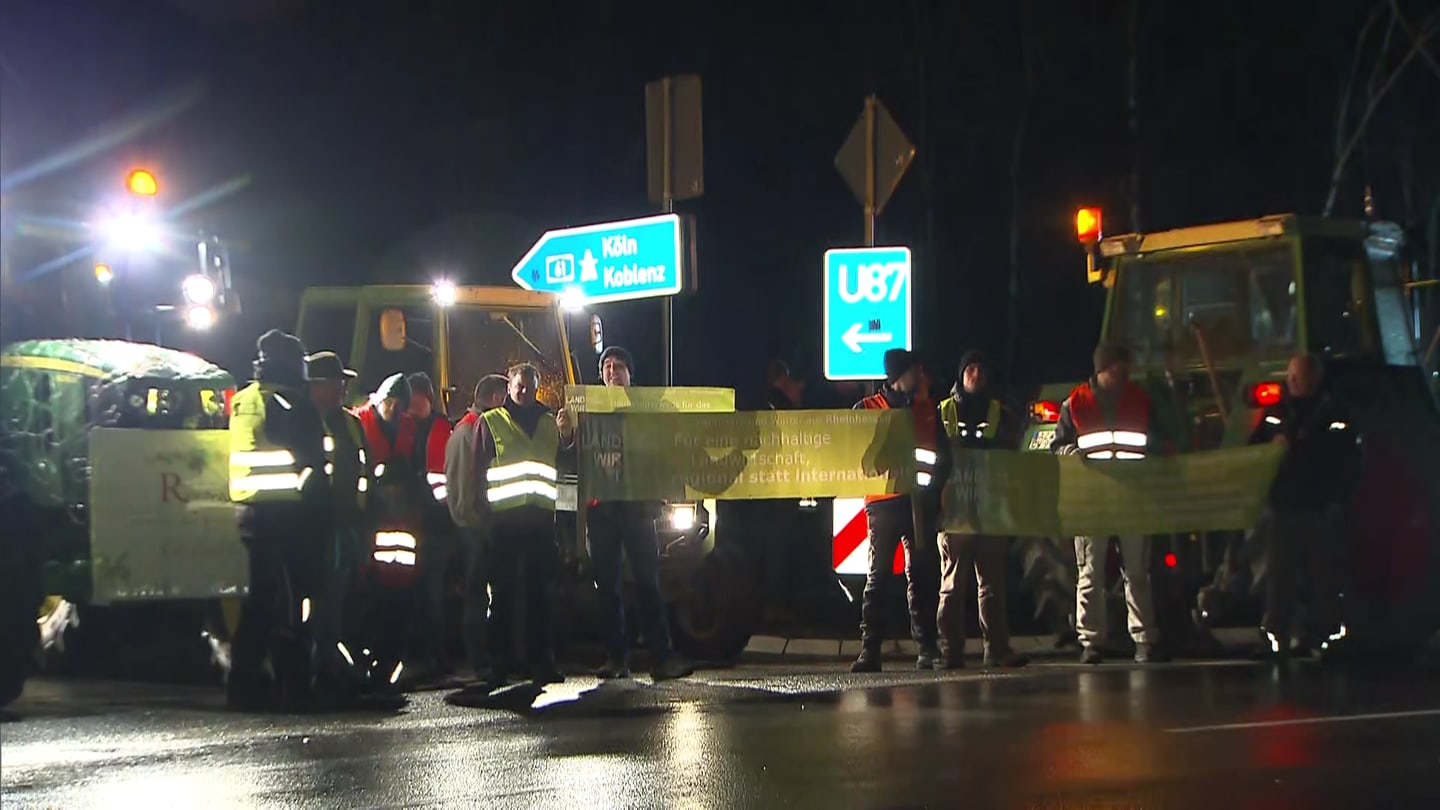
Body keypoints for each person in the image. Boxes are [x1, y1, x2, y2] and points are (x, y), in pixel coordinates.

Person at [227, 330, 331, 711]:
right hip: (288, 517)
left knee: (260, 602)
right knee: (292, 603)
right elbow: (312, 467)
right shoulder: (291, 404)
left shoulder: (244, 399)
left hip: (250, 515)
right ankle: (294, 685)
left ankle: (246, 680)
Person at [1052, 342, 1167, 664]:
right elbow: (1058, 444)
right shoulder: (1075, 404)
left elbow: (1156, 441)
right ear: (1106, 367)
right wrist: (1070, 454)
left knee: (1136, 571)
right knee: (1091, 571)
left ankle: (1143, 639)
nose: (1127, 371)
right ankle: (1092, 641)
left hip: (1131, 499)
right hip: (1095, 500)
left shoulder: (1139, 400)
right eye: (1121, 365)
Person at [589, 346, 695, 681]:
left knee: (648, 584)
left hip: (637, 510)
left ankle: (661, 658)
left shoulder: (648, 410)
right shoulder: (589, 409)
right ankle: (615, 659)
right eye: (606, 366)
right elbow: (572, 452)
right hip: (603, 511)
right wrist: (566, 433)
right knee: (607, 587)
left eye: (618, 366)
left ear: (630, 374)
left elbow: (666, 447)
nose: (611, 371)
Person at [1249, 353, 1359, 659]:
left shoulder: (1334, 413)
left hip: (1319, 507)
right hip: (1284, 507)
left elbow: (1349, 461)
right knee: (1279, 578)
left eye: (1300, 376)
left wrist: (1337, 499)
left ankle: (1327, 637)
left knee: (1325, 576)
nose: (1294, 381)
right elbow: (1252, 450)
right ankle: (1276, 636)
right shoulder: (1275, 414)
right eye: (1293, 376)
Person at [472, 363, 574, 686]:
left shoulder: (549, 423)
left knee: (540, 597)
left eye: (530, 386)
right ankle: (499, 664)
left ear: (536, 388)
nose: (524, 391)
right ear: (509, 387)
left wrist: (568, 435)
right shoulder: (490, 422)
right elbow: (476, 475)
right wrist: (483, 522)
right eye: (519, 385)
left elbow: (566, 461)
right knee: (501, 597)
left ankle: (541, 663)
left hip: (541, 525)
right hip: (503, 526)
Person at [932, 351, 1028, 669]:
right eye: (969, 368)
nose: (975, 373)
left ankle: (997, 649)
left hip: (989, 509)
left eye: (980, 368)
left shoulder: (1000, 413)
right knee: (953, 585)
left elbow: (1014, 452)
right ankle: (950, 651)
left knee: (992, 584)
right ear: (960, 375)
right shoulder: (942, 412)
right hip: (955, 512)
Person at [850, 349, 943, 672]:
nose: (920, 375)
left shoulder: (927, 408)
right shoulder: (868, 409)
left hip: (919, 505)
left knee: (923, 576)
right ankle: (870, 650)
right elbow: (856, 456)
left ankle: (927, 647)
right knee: (879, 579)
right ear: (899, 375)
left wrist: (933, 495)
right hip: (883, 505)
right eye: (914, 370)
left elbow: (942, 457)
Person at [305, 351, 371, 690]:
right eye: (336, 382)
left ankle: (328, 659)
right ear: (315, 386)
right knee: (317, 597)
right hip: (316, 528)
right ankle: (315, 664)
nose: (342, 388)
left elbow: (365, 472)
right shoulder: (304, 422)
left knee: (338, 595)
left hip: (347, 525)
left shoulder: (352, 423)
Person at [444, 374, 509, 683]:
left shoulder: (469, 429)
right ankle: (479, 660)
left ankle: (489, 657)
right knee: (477, 595)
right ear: (496, 398)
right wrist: (476, 523)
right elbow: (464, 487)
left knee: (481, 595)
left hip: (477, 526)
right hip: (475, 528)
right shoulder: (471, 431)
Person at [406, 372, 458, 675]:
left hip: (435, 525)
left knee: (431, 590)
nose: (413, 405)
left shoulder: (440, 431)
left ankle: (434, 653)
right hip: (412, 523)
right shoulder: (409, 428)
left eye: (417, 399)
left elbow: (440, 483)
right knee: (417, 589)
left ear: (428, 398)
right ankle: (421, 651)